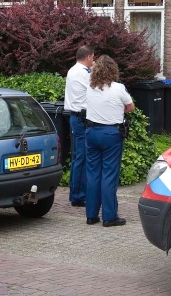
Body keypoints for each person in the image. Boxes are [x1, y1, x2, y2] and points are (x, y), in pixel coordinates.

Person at [85, 55, 134, 227]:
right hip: (111, 134)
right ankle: (109, 216)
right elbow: (130, 107)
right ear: (113, 70)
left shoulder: (90, 88)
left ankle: (91, 215)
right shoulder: (118, 88)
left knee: (92, 174)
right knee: (109, 175)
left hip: (91, 132)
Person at [64, 44, 94, 207]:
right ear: (88, 56)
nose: (93, 61)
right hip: (82, 119)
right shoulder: (84, 73)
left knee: (78, 157)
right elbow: (98, 87)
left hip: (75, 118)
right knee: (81, 157)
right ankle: (78, 196)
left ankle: (76, 193)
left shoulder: (72, 70)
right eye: (93, 58)